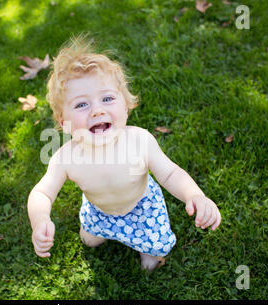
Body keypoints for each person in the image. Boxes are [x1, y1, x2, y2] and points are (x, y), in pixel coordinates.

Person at [27, 36, 221, 271]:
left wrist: (195, 195)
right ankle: (101, 231)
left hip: (142, 206)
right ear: (63, 121)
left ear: (126, 106)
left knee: (155, 251)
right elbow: (42, 193)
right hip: (99, 210)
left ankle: (146, 248)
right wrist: (40, 221)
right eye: (81, 105)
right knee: (89, 241)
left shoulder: (139, 140)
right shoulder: (65, 157)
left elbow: (170, 173)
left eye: (107, 99)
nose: (97, 110)